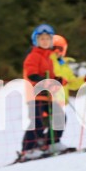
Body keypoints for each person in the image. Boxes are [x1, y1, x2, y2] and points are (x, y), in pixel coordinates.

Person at [20, 24, 60, 159]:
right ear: (36, 40)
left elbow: (51, 75)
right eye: (42, 39)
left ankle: (51, 144)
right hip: (35, 95)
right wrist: (44, 81)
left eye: (48, 39)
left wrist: (56, 80)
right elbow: (32, 73)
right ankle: (28, 149)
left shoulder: (49, 57)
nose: (45, 41)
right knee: (37, 122)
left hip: (47, 96)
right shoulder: (33, 55)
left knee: (60, 117)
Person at [48, 34, 86, 151]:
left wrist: (84, 79)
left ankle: (51, 143)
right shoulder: (49, 61)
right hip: (49, 97)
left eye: (60, 49)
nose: (57, 52)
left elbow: (71, 83)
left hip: (60, 99)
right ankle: (43, 144)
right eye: (54, 49)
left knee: (60, 120)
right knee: (50, 121)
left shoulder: (63, 64)